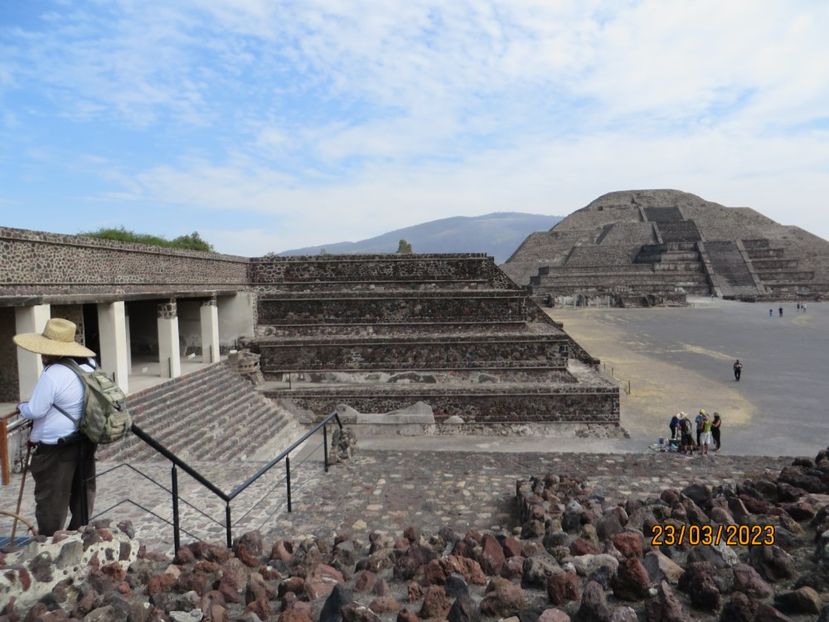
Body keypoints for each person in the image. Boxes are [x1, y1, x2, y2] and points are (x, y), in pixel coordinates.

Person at [14, 318, 98, 537]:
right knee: (83, 490)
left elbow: (36, 410)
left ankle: (52, 540)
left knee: (52, 496)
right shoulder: (89, 364)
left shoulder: (53, 374)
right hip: (85, 438)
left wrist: (22, 407)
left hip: (57, 447)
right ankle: (80, 533)